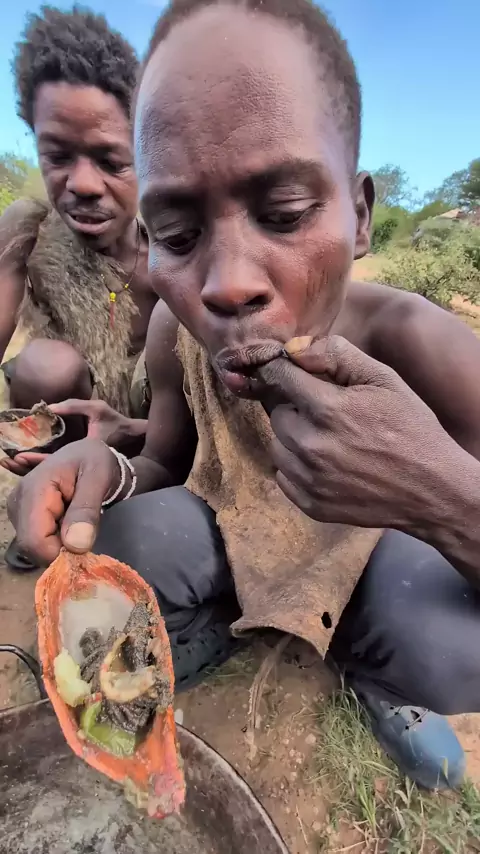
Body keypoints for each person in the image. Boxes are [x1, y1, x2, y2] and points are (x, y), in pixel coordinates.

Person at [10, 0, 480, 790]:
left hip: (379, 567)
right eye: (179, 236)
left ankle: (373, 674)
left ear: (360, 214)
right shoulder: (176, 332)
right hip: (237, 537)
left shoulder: (422, 343)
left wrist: (438, 496)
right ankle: (228, 622)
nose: (227, 285)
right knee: (123, 552)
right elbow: (166, 463)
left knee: (447, 646)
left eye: (284, 214)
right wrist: (106, 470)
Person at [0, 5, 158, 440]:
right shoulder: (30, 233)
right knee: (45, 366)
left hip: (156, 437)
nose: (83, 184)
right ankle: (51, 476)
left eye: (112, 161)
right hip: (64, 432)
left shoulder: (170, 252)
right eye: (58, 156)